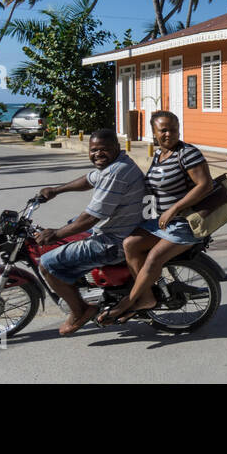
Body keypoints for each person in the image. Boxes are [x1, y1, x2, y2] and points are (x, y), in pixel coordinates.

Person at [99, 110, 212, 325]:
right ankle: (148, 297)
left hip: (184, 223)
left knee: (153, 258)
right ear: (154, 132)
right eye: (164, 130)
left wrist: (174, 209)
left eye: (174, 129)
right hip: (161, 223)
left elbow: (204, 185)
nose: (169, 134)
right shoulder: (159, 155)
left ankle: (129, 302)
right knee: (130, 243)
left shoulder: (188, 153)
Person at [34, 129, 146, 336]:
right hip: (119, 231)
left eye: (104, 149)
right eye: (94, 150)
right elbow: (88, 179)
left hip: (112, 243)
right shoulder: (114, 164)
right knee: (69, 227)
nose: (98, 154)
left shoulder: (116, 173)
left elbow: (90, 218)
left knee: (47, 263)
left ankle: (81, 310)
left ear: (117, 148)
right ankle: (80, 285)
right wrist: (56, 190)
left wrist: (56, 233)